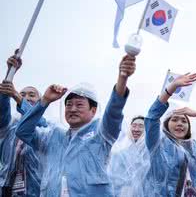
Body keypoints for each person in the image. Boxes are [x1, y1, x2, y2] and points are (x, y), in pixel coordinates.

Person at [15, 55, 136, 196]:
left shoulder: (101, 133)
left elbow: (114, 112)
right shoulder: (53, 135)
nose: (72, 109)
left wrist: (122, 78)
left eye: (79, 105)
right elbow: (23, 131)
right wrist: (44, 101)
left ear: (93, 110)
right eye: (69, 105)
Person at [144, 73, 196, 196]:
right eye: (174, 120)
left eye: (184, 121)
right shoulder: (157, 144)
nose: (180, 123)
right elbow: (152, 118)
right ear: (166, 125)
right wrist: (172, 87)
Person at [0, 55, 47, 197]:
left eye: (32, 95)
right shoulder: (9, 128)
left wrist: (16, 95)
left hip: (36, 191)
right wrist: (10, 74)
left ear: (40, 101)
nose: (26, 97)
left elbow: (36, 120)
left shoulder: (46, 127)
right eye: (23, 94)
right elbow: (2, 113)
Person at [109, 115, 149, 196]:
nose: (136, 129)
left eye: (141, 126)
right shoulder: (119, 152)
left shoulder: (150, 153)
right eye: (134, 126)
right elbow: (113, 178)